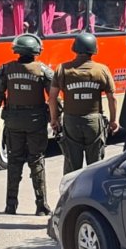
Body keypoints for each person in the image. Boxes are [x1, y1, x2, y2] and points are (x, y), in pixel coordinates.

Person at [0, 33, 53, 216]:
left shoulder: (6, 69)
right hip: (35, 122)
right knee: (37, 161)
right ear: (36, 51)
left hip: (13, 122)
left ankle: (10, 205)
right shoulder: (43, 71)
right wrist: (57, 119)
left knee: (14, 162)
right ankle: (41, 206)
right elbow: (54, 98)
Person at [48, 33, 118, 174]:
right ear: (94, 49)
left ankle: (71, 194)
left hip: (71, 122)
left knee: (72, 167)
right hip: (94, 122)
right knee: (95, 167)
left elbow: (52, 97)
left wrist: (54, 119)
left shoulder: (63, 69)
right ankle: (93, 194)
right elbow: (112, 98)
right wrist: (113, 121)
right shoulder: (102, 70)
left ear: (75, 48)